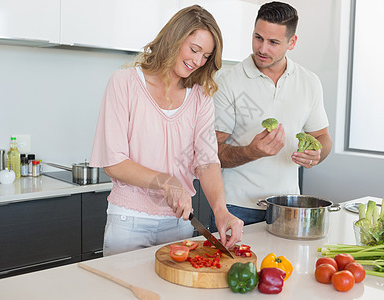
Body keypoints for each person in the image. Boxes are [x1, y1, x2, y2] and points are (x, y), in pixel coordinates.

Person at [90, 5, 244, 256]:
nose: (198, 61)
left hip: (179, 224)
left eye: (206, 56)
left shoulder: (201, 97)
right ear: (173, 36)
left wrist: (221, 211)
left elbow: (206, 162)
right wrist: (166, 182)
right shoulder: (125, 83)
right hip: (129, 222)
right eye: (194, 49)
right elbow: (114, 162)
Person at [211, 1, 332, 230]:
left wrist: (317, 154)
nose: (262, 49)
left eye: (273, 42)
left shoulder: (309, 82)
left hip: (289, 208)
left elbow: (323, 137)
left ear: (292, 42)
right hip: (235, 208)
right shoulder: (228, 82)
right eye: (258, 37)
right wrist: (251, 152)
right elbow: (212, 152)